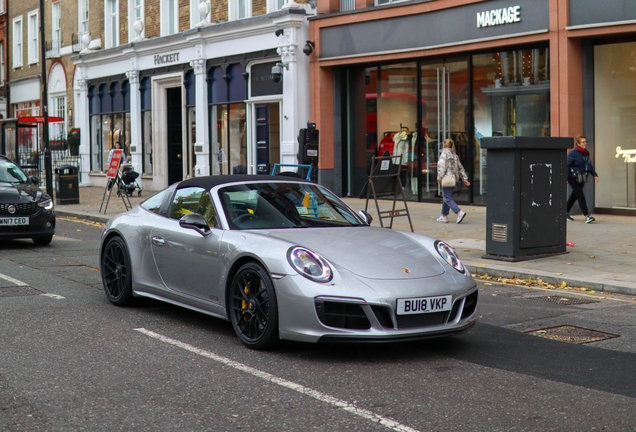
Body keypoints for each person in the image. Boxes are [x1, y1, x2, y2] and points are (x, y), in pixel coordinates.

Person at [566, 135, 599, 223]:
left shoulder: (586, 153)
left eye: (585, 142)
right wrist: (566, 177)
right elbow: (567, 165)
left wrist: (594, 175)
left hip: (582, 178)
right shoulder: (573, 153)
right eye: (583, 142)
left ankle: (564, 212)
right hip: (573, 178)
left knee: (574, 196)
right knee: (580, 196)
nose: (585, 143)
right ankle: (587, 215)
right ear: (578, 143)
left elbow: (589, 165)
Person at [437, 138, 470, 223]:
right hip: (453, 179)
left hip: (446, 178)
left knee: (447, 197)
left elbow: (442, 169)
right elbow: (460, 168)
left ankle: (459, 212)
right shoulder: (454, 155)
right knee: (447, 197)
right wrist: (464, 178)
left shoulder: (444, 155)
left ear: (444, 145)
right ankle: (444, 215)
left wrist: (439, 179)